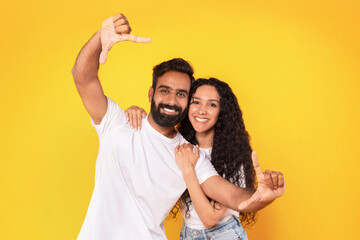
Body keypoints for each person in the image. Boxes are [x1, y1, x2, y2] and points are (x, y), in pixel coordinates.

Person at [72, 12, 285, 240]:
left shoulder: (189, 155)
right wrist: (98, 38)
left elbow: (233, 196)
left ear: (187, 102)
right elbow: (83, 77)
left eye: (181, 94)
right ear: (151, 93)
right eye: (165, 91)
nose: (172, 100)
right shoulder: (116, 122)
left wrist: (262, 197)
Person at [126, 78, 285, 239]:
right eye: (196, 102)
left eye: (212, 104)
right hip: (187, 234)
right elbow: (152, 134)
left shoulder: (232, 155)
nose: (202, 110)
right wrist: (136, 111)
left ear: (221, 111)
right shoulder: (179, 143)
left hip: (223, 234)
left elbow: (209, 218)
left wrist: (188, 170)